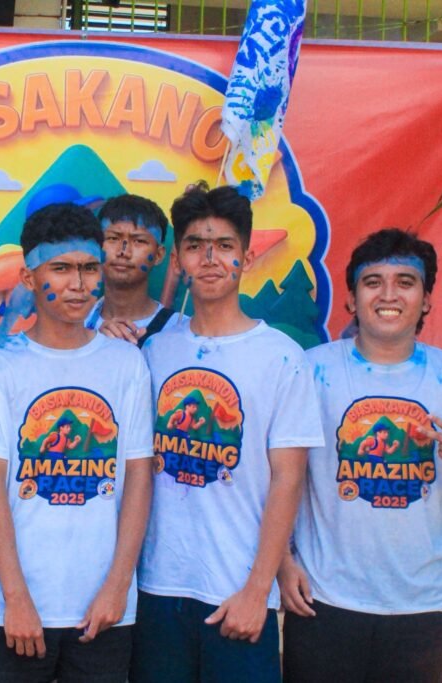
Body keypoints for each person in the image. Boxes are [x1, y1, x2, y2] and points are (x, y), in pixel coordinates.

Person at [278, 228, 442, 683]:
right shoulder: (312, 369)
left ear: (426, 300)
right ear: (352, 299)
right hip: (324, 601)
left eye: (405, 282)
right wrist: (282, 563)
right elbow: (278, 477)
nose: (388, 294)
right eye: (373, 282)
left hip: (421, 607)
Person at [130, 186, 324, 683]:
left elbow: (288, 480)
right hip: (158, 587)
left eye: (224, 245)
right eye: (196, 245)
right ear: (178, 261)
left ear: (247, 255)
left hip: (238, 590)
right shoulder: (154, 350)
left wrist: (258, 590)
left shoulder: (281, 357)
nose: (210, 258)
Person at [0, 202, 154, 683]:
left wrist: (118, 587)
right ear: (29, 278)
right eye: (61, 269)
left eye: (89, 268)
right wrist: (15, 598)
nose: (78, 283)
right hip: (8, 608)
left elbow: (138, 478)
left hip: (102, 610)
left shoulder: (126, 364)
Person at [86, 194, 181, 346]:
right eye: (113, 238)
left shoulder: (178, 330)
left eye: (139, 241)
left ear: (158, 255)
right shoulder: (73, 325)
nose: (123, 252)